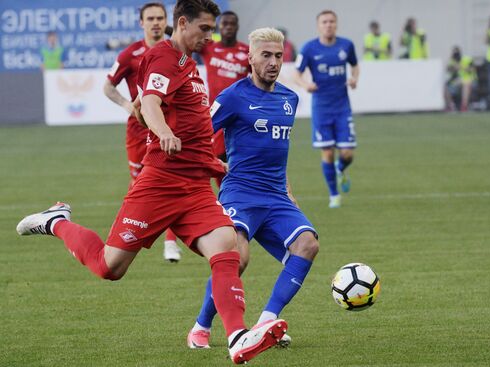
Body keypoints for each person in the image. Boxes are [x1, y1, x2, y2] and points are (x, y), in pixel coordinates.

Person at [16, 0, 287, 364]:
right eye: (204, 28)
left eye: (212, 29)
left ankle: (237, 336)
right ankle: (57, 222)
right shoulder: (163, 57)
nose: (210, 36)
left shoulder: (188, 65)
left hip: (193, 186)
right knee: (109, 267)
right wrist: (163, 133)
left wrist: (213, 164)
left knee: (229, 249)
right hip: (160, 181)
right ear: (183, 23)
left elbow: (181, 118)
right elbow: (151, 103)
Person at [186, 27, 319, 350]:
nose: (273, 62)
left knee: (307, 244)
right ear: (250, 58)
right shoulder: (232, 96)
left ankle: (265, 322)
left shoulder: (290, 98)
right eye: (266, 55)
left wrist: (286, 187)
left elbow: (278, 150)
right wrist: (214, 166)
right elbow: (200, 133)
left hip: (275, 196)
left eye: (278, 56)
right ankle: (201, 327)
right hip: (240, 193)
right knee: (236, 258)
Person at [104, 2, 182, 263]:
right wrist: (128, 106)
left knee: (171, 178)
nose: (156, 22)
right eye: (150, 18)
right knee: (139, 182)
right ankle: (127, 235)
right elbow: (108, 86)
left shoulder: (175, 50)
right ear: (142, 23)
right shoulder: (131, 54)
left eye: (160, 18)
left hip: (169, 125)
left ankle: (170, 242)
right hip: (139, 129)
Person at [294, 10, 359, 208]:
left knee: (347, 153)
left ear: (336, 24)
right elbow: (296, 72)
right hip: (321, 108)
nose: (328, 25)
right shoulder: (309, 48)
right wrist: (305, 85)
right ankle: (334, 195)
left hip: (342, 108)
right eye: (324, 22)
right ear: (318, 25)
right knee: (328, 153)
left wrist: (355, 78)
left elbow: (355, 66)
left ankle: (340, 169)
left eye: (331, 21)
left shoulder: (346, 45)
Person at [197, 10, 249, 187]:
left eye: (231, 24)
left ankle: (235, 197)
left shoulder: (247, 52)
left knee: (240, 160)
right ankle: (226, 196)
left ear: (237, 27)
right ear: (219, 26)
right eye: (224, 24)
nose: (227, 27)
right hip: (216, 113)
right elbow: (183, 34)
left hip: (241, 116)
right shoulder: (209, 47)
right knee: (217, 156)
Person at [445, 46, 477, 112]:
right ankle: (450, 106)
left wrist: (461, 67)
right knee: (445, 86)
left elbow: (472, 69)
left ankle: (464, 106)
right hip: (458, 81)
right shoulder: (453, 61)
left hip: (470, 80)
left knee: (466, 84)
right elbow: (448, 70)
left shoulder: (467, 59)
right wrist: (452, 66)